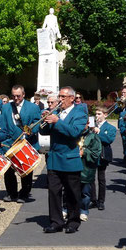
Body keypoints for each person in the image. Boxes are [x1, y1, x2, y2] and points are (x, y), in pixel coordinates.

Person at [40, 86, 88, 233]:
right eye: (59, 96)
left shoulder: (80, 113)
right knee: (53, 192)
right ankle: (56, 221)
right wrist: (44, 120)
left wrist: (57, 121)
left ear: (71, 98)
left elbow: (74, 132)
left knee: (72, 193)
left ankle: (73, 221)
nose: (59, 100)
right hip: (54, 158)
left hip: (70, 158)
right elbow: (43, 131)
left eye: (62, 97)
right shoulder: (57, 112)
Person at [1, 85, 41, 203]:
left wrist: (30, 131)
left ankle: (24, 193)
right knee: (8, 170)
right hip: (10, 143)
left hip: (26, 142)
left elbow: (37, 123)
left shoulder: (33, 107)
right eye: (13, 96)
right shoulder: (6, 107)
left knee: (26, 170)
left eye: (18, 96)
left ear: (23, 95)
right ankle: (11, 193)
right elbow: (3, 124)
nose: (16, 98)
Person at [89, 105, 116, 211]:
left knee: (101, 179)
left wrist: (98, 132)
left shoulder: (110, 128)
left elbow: (109, 139)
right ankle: (93, 199)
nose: (97, 116)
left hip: (102, 155)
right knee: (90, 178)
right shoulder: (92, 125)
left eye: (99, 114)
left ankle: (101, 201)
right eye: (96, 114)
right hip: (91, 154)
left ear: (105, 115)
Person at [78, 118, 102, 222]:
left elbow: (96, 153)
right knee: (69, 190)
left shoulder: (93, 136)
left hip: (86, 168)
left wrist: (85, 152)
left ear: (88, 123)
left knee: (85, 192)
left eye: (84, 123)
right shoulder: (73, 134)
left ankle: (84, 210)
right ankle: (67, 209)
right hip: (73, 167)